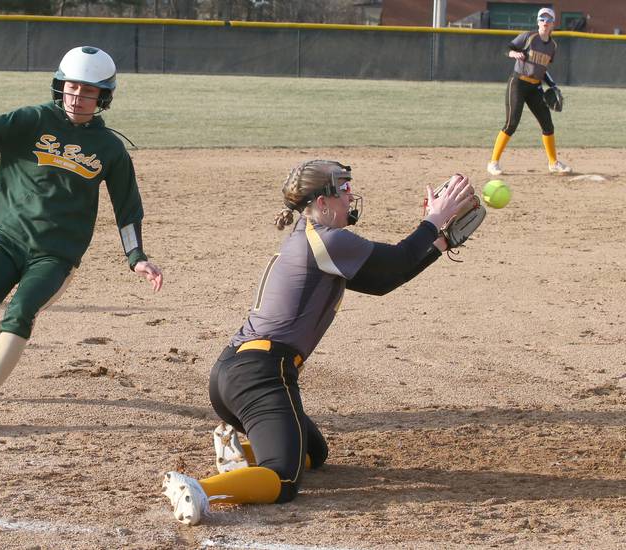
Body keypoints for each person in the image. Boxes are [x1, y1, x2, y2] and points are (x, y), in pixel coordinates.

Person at [162, 160, 476, 525]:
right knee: (284, 478)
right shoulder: (327, 239)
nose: (349, 196)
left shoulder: (313, 239)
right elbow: (395, 261)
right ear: (322, 202)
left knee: (314, 452)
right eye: (342, 189)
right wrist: (433, 220)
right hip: (262, 376)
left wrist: (436, 243)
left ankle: (239, 453)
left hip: (235, 373)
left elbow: (383, 281)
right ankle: (200, 490)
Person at [0, 46, 163, 433]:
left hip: (56, 256)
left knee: (20, 312)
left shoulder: (110, 148)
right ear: (60, 86)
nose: (78, 97)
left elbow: (128, 207)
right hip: (8, 240)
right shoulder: (31, 121)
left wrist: (136, 256)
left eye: (89, 91)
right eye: (72, 87)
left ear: (103, 97)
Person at [487, 7, 571, 176]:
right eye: (542, 19)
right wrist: (513, 53)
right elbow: (507, 47)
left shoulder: (552, 46)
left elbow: (543, 68)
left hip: (535, 88)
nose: (545, 23)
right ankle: (493, 162)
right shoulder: (528, 37)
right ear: (538, 22)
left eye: (548, 20)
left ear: (553, 23)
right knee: (511, 123)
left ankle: (553, 163)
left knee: (547, 124)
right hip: (518, 83)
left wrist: (553, 85)